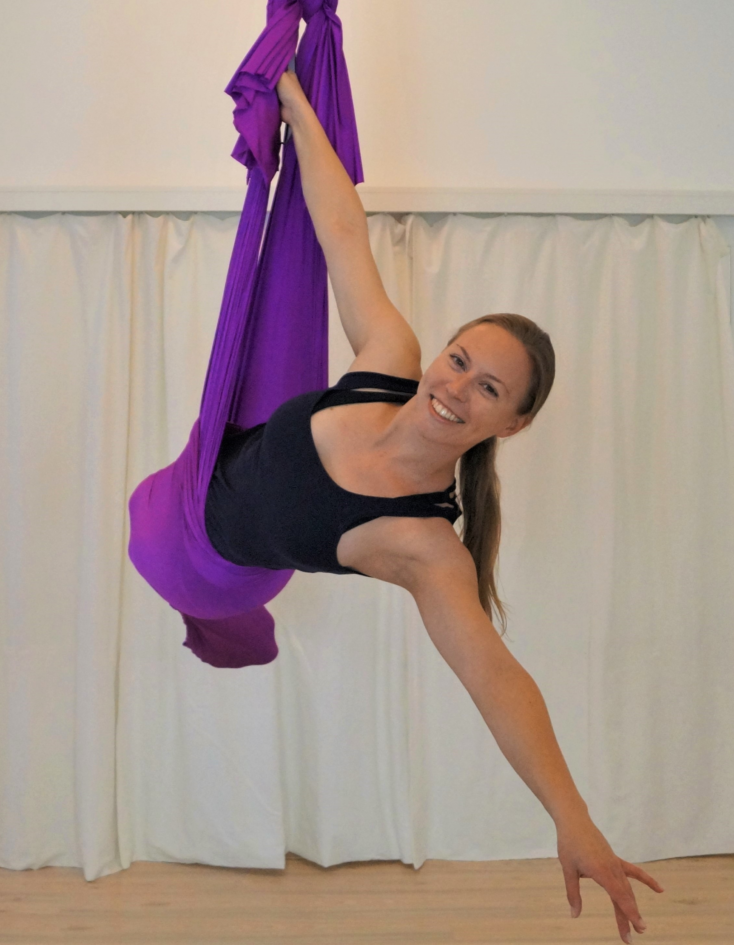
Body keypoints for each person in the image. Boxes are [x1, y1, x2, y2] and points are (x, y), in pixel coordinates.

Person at [203, 69, 664, 945]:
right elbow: (341, 232)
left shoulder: (425, 547)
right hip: (194, 479)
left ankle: (224, 625)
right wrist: (298, 100)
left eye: (488, 389)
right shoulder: (388, 357)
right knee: (151, 526)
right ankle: (225, 630)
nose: (454, 386)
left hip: (216, 560)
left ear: (513, 423)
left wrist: (573, 819)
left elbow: (497, 680)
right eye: (458, 360)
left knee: (212, 607)